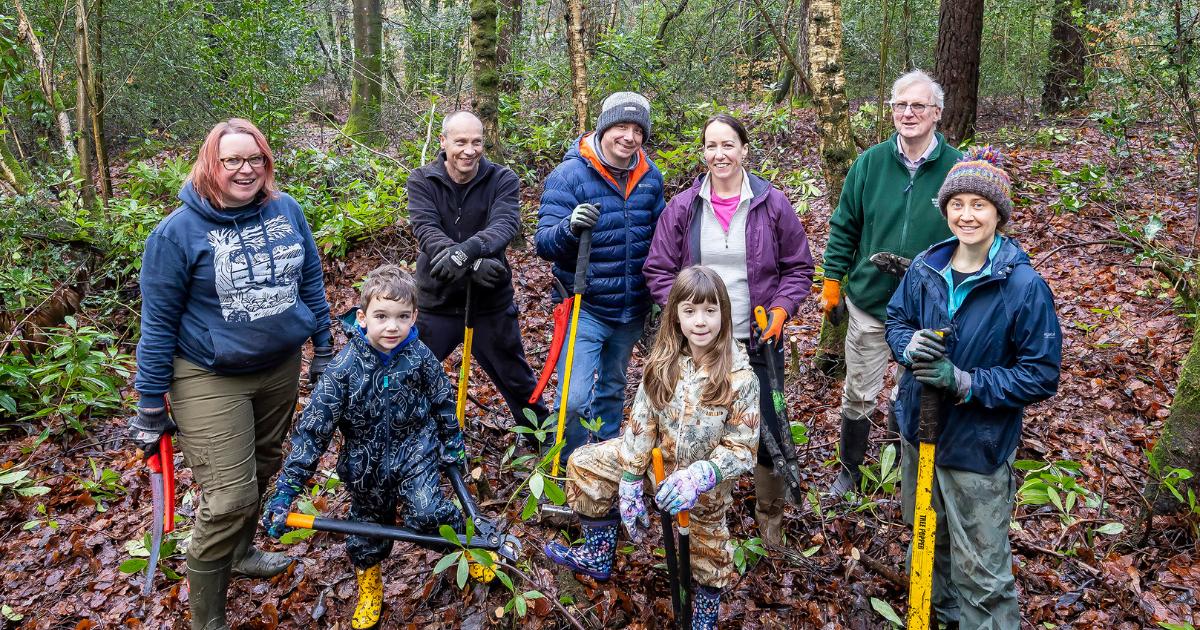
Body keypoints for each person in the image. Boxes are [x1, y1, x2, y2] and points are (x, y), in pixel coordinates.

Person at [128, 118, 334, 630]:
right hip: (208, 373)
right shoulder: (176, 234)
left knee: (264, 465)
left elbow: (310, 277)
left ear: (266, 162)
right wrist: (150, 403)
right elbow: (157, 324)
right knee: (229, 496)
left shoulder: (286, 210)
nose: (245, 169)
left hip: (279, 366)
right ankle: (207, 619)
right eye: (232, 160)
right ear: (210, 165)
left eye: (255, 159)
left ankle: (240, 554)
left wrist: (324, 346)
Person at [885, 147, 1061, 628]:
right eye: (957, 204)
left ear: (998, 214)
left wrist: (964, 382)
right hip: (919, 435)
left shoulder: (1023, 285)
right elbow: (897, 319)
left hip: (977, 448)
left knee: (982, 572)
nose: (967, 215)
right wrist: (908, 344)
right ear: (945, 210)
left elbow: (1041, 373)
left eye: (979, 205)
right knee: (928, 545)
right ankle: (941, 619)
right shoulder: (926, 267)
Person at [544, 266, 759, 629]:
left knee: (710, 558)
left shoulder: (741, 377)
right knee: (584, 463)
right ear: (674, 314)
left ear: (724, 312)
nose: (701, 321)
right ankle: (598, 554)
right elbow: (643, 422)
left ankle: (703, 613)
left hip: (701, 490)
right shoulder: (663, 363)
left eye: (710, 311)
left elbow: (743, 447)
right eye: (689, 311)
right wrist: (630, 476)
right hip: (655, 468)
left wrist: (702, 475)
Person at [261, 265, 466, 630]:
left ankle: (467, 543)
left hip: (415, 452)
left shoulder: (420, 356)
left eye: (403, 317)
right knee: (367, 529)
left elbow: (443, 401)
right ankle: (370, 583)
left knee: (429, 510)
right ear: (362, 317)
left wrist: (452, 444)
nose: (392, 327)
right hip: (365, 464)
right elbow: (312, 433)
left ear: (415, 316)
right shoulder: (342, 370)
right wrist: (285, 492)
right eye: (382, 316)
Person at [643, 113, 813, 545]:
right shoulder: (683, 207)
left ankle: (769, 517)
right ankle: (694, 511)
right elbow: (659, 269)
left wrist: (780, 310)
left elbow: (798, 267)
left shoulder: (771, 203)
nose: (720, 154)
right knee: (689, 422)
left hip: (757, 336)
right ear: (704, 152)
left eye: (728, 145)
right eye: (712, 146)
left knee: (768, 427)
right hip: (696, 341)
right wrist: (682, 316)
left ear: (744, 150)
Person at [818, 70, 963, 496]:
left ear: (936, 112)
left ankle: (907, 467)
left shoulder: (957, 167)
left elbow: (974, 234)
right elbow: (844, 226)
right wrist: (832, 281)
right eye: (901, 105)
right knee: (859, 391)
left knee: (914, 390)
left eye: (919, 105)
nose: (908, 113)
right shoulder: (870, 163)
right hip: (870, 301)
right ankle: (850, 471)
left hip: (929, 308)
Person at [536, 91, 665, 462]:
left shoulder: (649, 176)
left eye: (637, 130)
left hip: (630, 309)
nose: (629, 137)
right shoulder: (570, 175)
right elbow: (544, 243)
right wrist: (569, 227)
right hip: (584, 305)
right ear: (604, 127)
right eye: (621, 127)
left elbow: (662, 235)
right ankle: (570, 465)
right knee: (574, 400)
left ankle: (604, 464)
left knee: (612, 390)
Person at [408, 111, 549, 438]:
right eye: (460, 142)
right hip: (437, 302)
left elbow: (504, 225)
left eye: (476, 142)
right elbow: (427, 231)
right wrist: (469, 264)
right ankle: (405, 442)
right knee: (411, 375)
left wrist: (465, 251)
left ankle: (544, 440)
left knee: (516, 378)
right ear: (444, 142)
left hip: (490, 301)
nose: (469, 150)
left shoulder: (502, 179)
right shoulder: (422, 180)